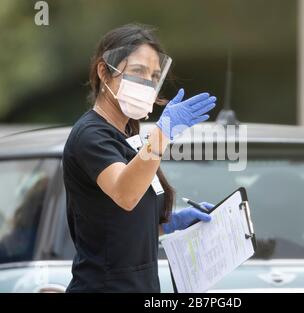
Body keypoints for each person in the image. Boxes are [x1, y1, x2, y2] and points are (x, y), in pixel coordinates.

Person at [62, 24, 216, 292]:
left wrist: (170, 223)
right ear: (104, 72)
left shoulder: (128, 135)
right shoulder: (90, 135)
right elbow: (126, 194)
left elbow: (122, 227)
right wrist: (161, 134)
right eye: (137, 71)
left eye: (154, 76)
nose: (148, 82)